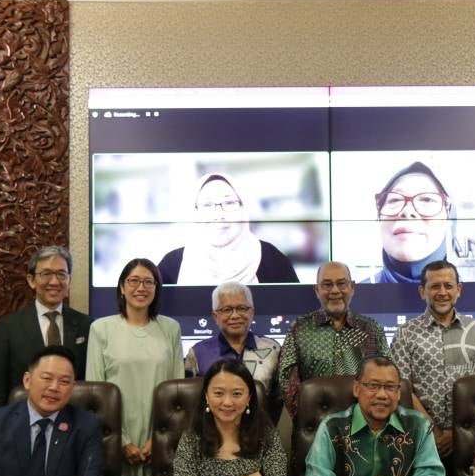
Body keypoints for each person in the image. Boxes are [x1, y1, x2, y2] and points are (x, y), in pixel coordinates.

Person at [87, 258, 182, 476]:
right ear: (121, 286)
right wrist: (120, 439)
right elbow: (95, 391)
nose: (141, 288)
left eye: (149, 282)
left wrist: (159, 438)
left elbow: (177, 390)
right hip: (116, 434)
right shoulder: (101, 329)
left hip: (159, 434)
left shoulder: (170, 328)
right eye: (134, 281)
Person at [0, 346, 105, 476]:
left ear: (73, 388)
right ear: (27, 380)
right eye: (47, 378)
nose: (54, 387)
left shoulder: (86, 424)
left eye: (64, 381)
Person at [391, 260, 475, 460]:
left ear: (458, 290)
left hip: (473, 438)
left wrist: (458, 431)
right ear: (422, 292)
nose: (442, 292)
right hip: (420, 439)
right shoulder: (405, 334)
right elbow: (401, 388)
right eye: (434, 286)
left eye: (448, 286)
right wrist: (433, 430)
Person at [303, 357, 445, 476]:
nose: (382, 395)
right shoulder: (332, 427)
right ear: (356, 389)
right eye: (373, 385)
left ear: (398, 393)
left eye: (390, 387)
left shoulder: (418, 425)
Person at [0, 245, 93, 409]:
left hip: (74, 423)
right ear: (31, 280)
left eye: (61, 274)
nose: (55, 282)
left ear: (69, 280)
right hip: (21, 421)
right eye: (46, 274)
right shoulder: (8, 327)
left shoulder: (87, 325)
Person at [278, 261, 389, 417]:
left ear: (352, 287)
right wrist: (307, 418)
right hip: (315, 426)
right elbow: (287, 382)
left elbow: (386, 377)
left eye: (341, 284)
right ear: (317, 290)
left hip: (364, 424)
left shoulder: (372, 329)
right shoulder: (299, 329)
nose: (335, 291)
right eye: (327, 285)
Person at [173, 360, 288, 476]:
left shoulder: (266, 435)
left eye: (237, 394)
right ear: (207, 396)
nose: (227, 402)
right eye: (219, 393)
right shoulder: (192, 437)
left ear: (249, 397)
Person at [159, 173, 299, 285]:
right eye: (207, 205)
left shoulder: (272, 258)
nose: (218, 215)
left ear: (244, 207)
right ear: (194, 212)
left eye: (229, 202)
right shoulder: (171, 265)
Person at [184, 282, 281, 420]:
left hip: (260, 434)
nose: (235, 316)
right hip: (212, 436)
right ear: (215, 316)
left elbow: (279, 403)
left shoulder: (273, 349)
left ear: (252, 312)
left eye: (242, 308)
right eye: (227, 309)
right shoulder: (197, 353)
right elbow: (191, 405)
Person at [366, 161, 454, 284]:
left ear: (449, 218)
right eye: (395, 199)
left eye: (427, 199)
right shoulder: (352, 300)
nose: (408, 211)